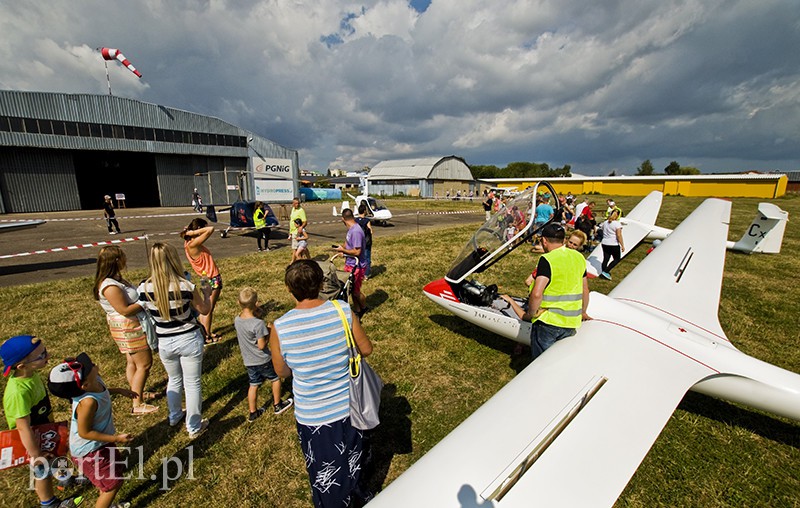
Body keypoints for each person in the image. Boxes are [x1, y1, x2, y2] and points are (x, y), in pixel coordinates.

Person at [270, 260, 374, 508]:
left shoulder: (280, 327)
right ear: (321, 283)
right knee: (353, 459)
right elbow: (367, 349)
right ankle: (357, 493)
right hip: (350, 405)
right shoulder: (343, 310)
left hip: (313, 414)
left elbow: (282, 372)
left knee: (325, 471)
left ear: (288, 288)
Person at [138, 243, 212, 439]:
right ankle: (194, 426)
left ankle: (174, 415)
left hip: (165, 341)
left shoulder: (143, 288)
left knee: (174, 379)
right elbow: (204, 310)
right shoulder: (185, 286)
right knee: (192, 382)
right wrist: (206, 293)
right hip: (188, 338)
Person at [1, 335, 83, 508]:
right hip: (32, 440)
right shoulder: (18, 392)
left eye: (44, 351)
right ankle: (49, 503)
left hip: (45, 429)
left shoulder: (30, 374)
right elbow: (23, 428)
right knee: (42, 470)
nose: (47, 356)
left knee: (56, 455)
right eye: (41, 355)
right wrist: (36, 454)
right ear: (22, 366)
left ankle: (64, 479)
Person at [48, 353, 135, 508]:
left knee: (114, 473)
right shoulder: (87, 402)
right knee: (111, 486)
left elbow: (103, 390)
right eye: (89, 367)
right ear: (84, 385)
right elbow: (85, 433)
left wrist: (120, 391)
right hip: (89, 451)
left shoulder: (94, 382)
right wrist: (116, 439)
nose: (93, 364)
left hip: (100, 443)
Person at [501, 223, 590, 360]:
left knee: (541, 362)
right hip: (571, 322)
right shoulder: (579, 258)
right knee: (558, 359)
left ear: (544, 240)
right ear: (563, 240)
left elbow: (537, 293)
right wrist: (583, 311)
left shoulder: (547, 259)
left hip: (548, 323)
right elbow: (585, 289)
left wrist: (530, 314)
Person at [93, 246, 157, 415]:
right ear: (115, 261)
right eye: (122, 257)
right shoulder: (109, 286)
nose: (125, 260)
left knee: (132, 362)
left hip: (129, 325)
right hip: (129, 327)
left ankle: (136, 392)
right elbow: (125, 309)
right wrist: (145, 301)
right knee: (144, 363)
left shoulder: (115, 280)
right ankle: (138, 404)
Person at [234, 287, 293, 422]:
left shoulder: (237, 320)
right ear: (256, 304)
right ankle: (277, 405)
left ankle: (253, 412)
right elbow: (261, 345)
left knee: (253, 384)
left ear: (238, 302)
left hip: (249, 361)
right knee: (275, 379)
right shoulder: (258, 324)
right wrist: (270, 331)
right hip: (263, 359)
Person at [180, 218, 223, 344]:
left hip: (204, 277)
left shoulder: (188, 243)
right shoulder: (193, 244)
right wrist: (193, 232)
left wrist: (190, 232)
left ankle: (205, 332)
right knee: (209, 308)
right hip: (212, 278)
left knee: (205, 306)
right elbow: (210, 230)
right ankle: (207, 336)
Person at [334, 208, 367, 317]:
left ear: (343, 219)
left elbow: (357, 251)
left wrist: (343, 251)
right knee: (350, 289)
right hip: (350, 263)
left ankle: (364, 307)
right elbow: (348, 243)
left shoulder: (356, 231)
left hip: (357, 266)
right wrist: (342, 249)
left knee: (356, 291)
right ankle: (357, 310)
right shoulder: (351, 229)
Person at [600, 209, 625, 280]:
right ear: (617, 215)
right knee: (617, 259)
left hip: (604, 243)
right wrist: (622, 245)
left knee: (606, 259)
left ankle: (603, 272)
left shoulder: (605, 223)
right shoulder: (617, 224)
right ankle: (606, 271)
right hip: (613, 244)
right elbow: (619, 235)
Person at [356, 203, 374, 278]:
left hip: (357, 242)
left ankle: (358, 273)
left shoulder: (355, 220)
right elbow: (370, 231)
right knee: (367, 258)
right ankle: (366, 274)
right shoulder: (367, 220)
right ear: (364, 211)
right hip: (366, 242)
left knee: (358, 258)